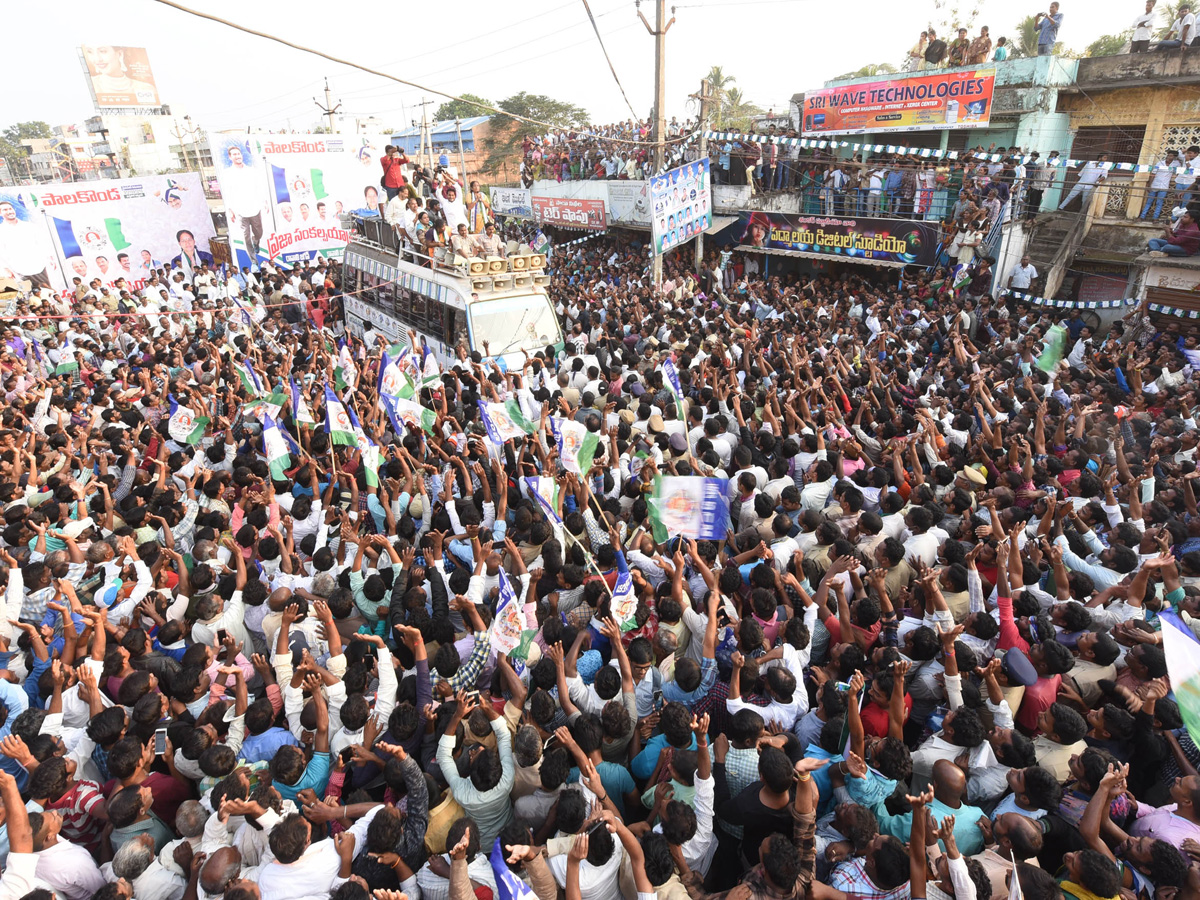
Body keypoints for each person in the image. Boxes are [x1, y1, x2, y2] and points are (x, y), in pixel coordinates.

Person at [1141, 150, 1179, 220]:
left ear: (1174, 157)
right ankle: (1142, 216)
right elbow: (1153, 174)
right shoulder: (1160, 163)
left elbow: (1178, 172)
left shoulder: (1175, 164)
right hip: (1155, 185)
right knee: (1149, 202)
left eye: (1171, 156)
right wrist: (1149, 185)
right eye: (1168, 155)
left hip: (1164, 186)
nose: (1168, 157)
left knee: (1159, 203)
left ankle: (1155, 218)